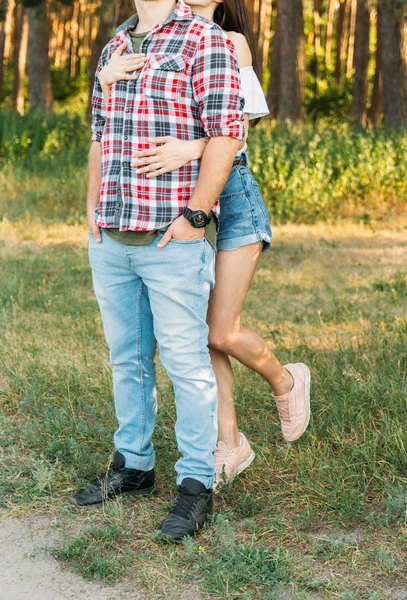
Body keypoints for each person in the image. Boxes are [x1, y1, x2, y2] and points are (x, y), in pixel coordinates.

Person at [104, 0, 312, 489]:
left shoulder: (228, 41)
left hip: (232, 198)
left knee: (220, 331)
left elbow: (241, 130)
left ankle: (287, 380)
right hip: (175, 200)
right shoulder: (157, 36)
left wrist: (191, 148)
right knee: (196, 333)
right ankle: (230, 443)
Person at [71, 0, 246, 542]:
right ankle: (134, 463)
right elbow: (100, 136)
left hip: (171, 239)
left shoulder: (203, 39)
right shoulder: (115, 45)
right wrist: (91, 212)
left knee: (186, 364)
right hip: (113, 238)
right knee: (127, 359)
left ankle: (196, 483)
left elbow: (227, 133)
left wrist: (196, 216)